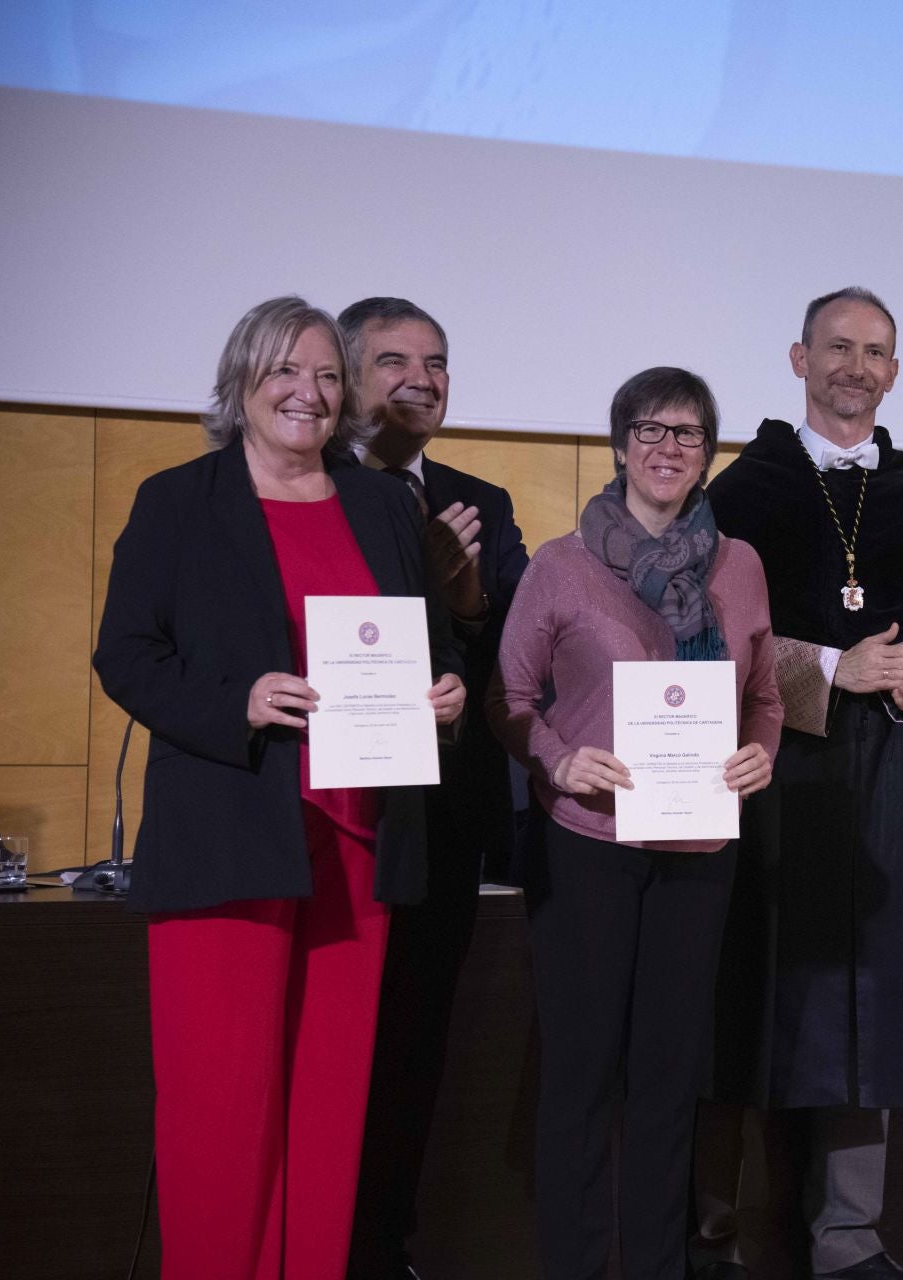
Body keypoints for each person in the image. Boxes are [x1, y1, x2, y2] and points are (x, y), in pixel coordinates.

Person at [91, 295, 466, 1280]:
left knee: (329, 1108)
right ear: (241, 383)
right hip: (229, 836)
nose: (309, 391)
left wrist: (446, 690)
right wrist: (240, 701)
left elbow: (427, 644)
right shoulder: (179, 499)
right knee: (222, 1105)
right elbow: (126, 655)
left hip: (357, 839)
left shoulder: (381, 504)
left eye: (329, 374)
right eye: (285, 371)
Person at [699, 287, 903, 1280]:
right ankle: (712, 1237)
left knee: (868, 1000)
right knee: (746, 991)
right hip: (764, 776)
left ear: (894, 370)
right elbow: (704, 642)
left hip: (882, 777)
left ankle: (847, 1240)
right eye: (837, 347)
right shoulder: (746, 490)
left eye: (875, 351)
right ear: (799, 359)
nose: (856, 366)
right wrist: (833, 669)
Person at [487, 367, 783, 1280]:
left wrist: (760, 753)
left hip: (699, 851)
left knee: (668, 1082)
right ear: (620, 445)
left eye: (687, 433)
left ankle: (658, 1266)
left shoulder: (740, 565)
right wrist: (557, 759)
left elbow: (765, 696)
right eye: (649, 430)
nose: (667, 448)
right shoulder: (561, 564)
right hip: (589, 845)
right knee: (581, 1077)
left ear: (707, 455)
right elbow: (509, 698)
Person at [337, 296, 530, 1280]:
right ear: (343, 376)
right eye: (393, 361)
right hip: (333, 814)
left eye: (438, 362)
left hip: (444, 819)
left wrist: (466, 598)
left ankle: (385, 1249)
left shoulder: (479, 501)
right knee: (333, 1045)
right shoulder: (305, 484)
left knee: (414, 1046)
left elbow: (521, 662)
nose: (421, 379)